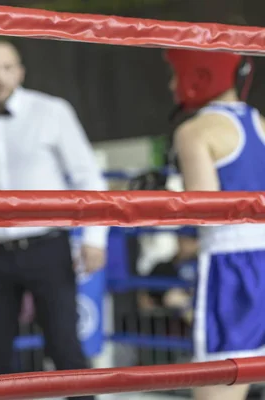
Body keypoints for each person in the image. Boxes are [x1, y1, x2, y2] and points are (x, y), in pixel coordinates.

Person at [0, 40, 108, 400]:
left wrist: (95, 237)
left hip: (48, 246)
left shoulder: (52, 112)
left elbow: (89, 176)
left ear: (20, 72)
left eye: (7, 67)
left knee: (65, 348)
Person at [166, 48, 261, 400]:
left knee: (219, 391)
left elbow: (204, 210)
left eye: (176, 74)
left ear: (198, 74)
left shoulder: (195, 132)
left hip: (232, 268)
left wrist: (166, 202)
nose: (173, 84)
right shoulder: (261, 122)